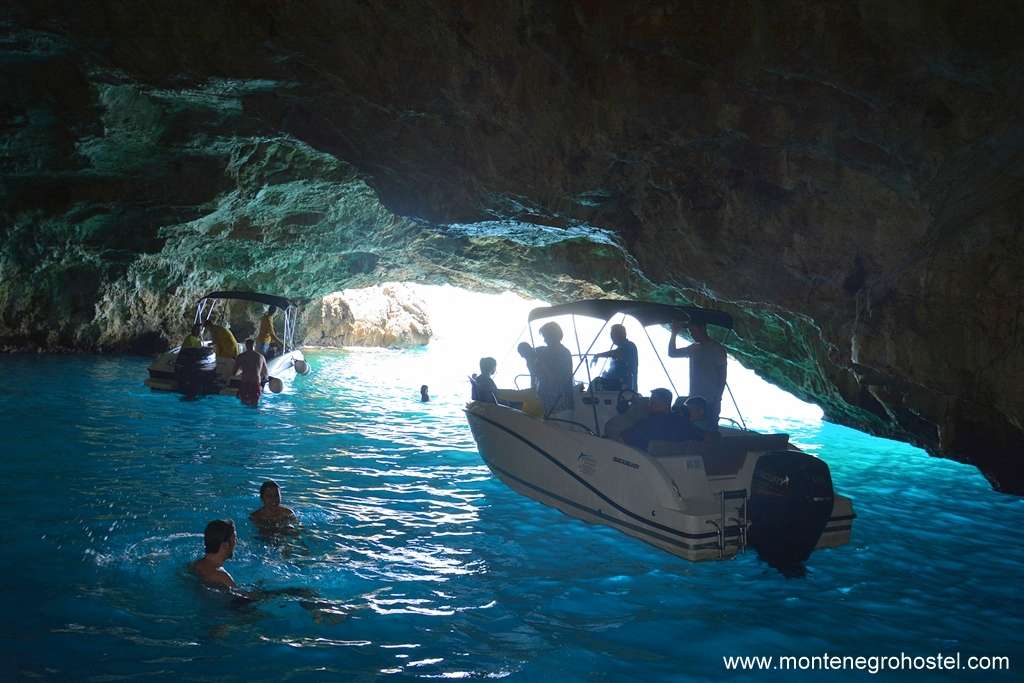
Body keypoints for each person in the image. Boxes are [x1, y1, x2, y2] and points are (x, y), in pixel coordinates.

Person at [668, 322, 727, 426]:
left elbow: (722, 375)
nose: (691, 334)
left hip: (710, 399)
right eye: (690, 331)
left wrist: (718, 398)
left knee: (709, 427)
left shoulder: (717, 349)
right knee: (692, 427)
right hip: (693, 399)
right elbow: (672, 353)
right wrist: (674, 333)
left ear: (703, 328)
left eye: (693, 330)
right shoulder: (694, 348)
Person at [621, 388, 705, 451]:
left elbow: (625, 437)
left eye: (652, 402)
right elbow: (701, 437)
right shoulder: (684, 424)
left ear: (664, 405)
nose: (649, 405)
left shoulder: (647, 424)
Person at [532, 322, 574, 415]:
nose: (545, 340)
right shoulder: (545, 352)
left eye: (546, 337)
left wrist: (542, 365)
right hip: (546, 398)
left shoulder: (563, 353)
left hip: (560, 401)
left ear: (553, 336)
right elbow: (537, 371)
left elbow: (558, 378)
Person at [190, 519, 238, 589]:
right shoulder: (223, 578)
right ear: (225, 545)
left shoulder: (193, 566)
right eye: (234, 539)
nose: (236, 542)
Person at [589, 323, 638, 390]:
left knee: (596, 382)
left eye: (613, 334)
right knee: (596, 383)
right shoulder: (621, 348)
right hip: (615, 383)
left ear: (620, 335)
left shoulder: (630, 346)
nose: (611, 337)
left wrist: (598, 355)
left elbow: (616, 353)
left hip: (623, 385)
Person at [233, 338, 268, 406]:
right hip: (255, 383)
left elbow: (234, 373)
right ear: (254, 345)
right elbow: (265, 374)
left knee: (243, 404)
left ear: (246, 345)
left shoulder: (240, 356)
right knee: (254, 405)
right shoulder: (261, 357)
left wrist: (242, 370)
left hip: (244, 383)